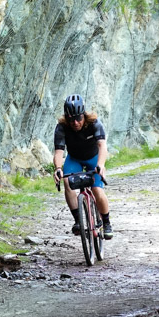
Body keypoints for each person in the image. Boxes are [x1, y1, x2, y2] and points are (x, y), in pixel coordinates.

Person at [52, 94, 113, 239]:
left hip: (93, 158)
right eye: (70, 119)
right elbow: (59, 151)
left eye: (78, 118)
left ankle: (106, 222)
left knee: (97, 189)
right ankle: (78, 220)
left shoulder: (94, 124)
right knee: (67, 182)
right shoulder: (61, 128)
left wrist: (101, 165)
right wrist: (58, 168)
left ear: (83, 115)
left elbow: (102, 146)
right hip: (74, 159)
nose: (75, 122)